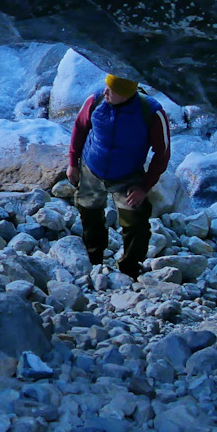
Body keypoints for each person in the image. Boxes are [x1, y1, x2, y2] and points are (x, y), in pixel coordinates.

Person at [67, 73, 172, 278]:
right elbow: (80, 127)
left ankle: (130, 268)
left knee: (136, 224)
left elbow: (162, 153)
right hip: (91, 169)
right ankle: (94, 259)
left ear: (126, 94)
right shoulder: (96, 100)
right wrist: (73, 163)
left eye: (112, 89)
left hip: (128, 176)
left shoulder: (150, 112)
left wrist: (144, 187)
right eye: (107, 86)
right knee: (89, 215)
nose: (106, 91)